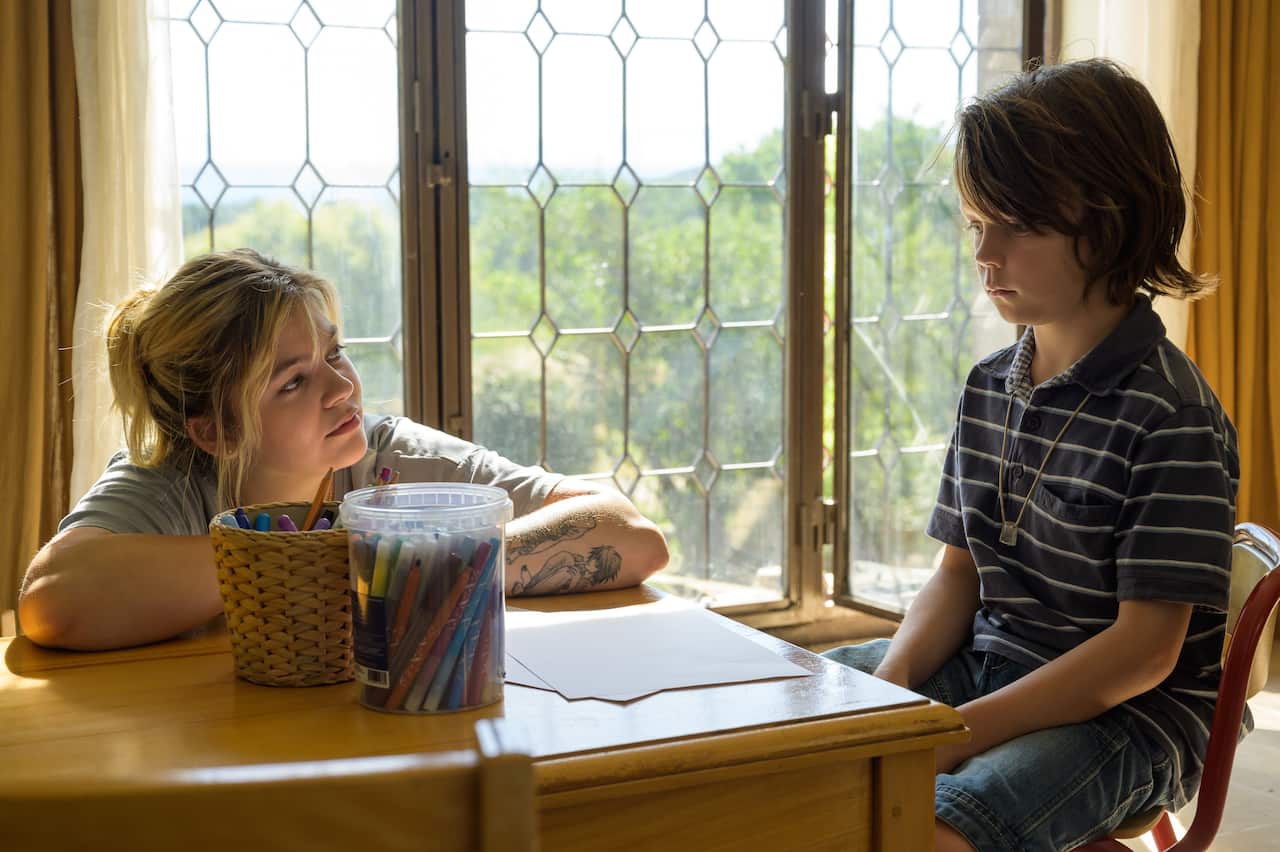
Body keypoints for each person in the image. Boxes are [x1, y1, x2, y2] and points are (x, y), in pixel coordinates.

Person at [823, 59, 1241, 852]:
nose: (986, 253)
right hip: (990, 664)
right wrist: (894, 690)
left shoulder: (1170, 416)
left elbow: (1143, 652)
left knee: (934, 826)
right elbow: (958, 575)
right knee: (788, 723)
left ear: (1110, 216)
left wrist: (959, 733)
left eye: (1016, 226)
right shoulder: (990, 387)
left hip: (1127, 722)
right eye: (977, 222)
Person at [19, 249, 668, 651]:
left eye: (334, 354)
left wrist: (421, 566)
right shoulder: (169, 481)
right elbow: (52, 598)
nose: (343, 388)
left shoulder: (385, 459)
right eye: (293, 380)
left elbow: (630, 531)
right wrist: (326, 567)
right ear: (215, 430)